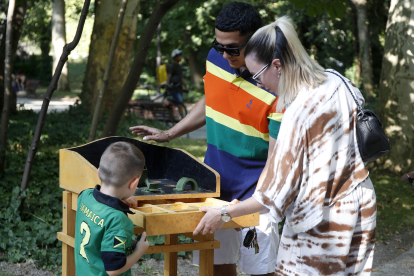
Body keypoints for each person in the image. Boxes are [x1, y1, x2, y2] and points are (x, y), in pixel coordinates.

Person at [194, 16, 377, 276]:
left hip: (322, 221)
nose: (258, 83)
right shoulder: (338, 80)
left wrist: (224, 212)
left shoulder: (295, 113)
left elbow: (270, 196)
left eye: (257, 75)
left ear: (277, 65)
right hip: (361, 204)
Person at [130, 3, 283, 276]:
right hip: (214, 189)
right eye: (219, 45)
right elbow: (213, 98)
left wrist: (253, 201)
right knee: (215, 267)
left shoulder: (275, 81)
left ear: (257, 39)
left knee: (262, 270)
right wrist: (170, 133)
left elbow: (277, 158)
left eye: (232, 48)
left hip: (256, 196)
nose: (224, 54)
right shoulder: (216, 57)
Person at [74, 142, 150, 276]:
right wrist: (139, 250)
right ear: (134, 183)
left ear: (98, 172)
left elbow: (102, 200)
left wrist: (120, 199)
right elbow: (113, 269)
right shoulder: (118, 220)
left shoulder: (84, 196)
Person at [166, 49, 187, 118]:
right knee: (179, 104)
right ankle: (182, 119)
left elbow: (181, 77)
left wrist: (185, 86)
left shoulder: (179, 66)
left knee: (179, 103)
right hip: (174, 88)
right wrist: (167, 84)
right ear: (175, 57)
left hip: (179, 88)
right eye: (179, 56)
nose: (180, 57)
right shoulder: (173, 66)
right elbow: (169, 75)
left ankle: (180, 118)